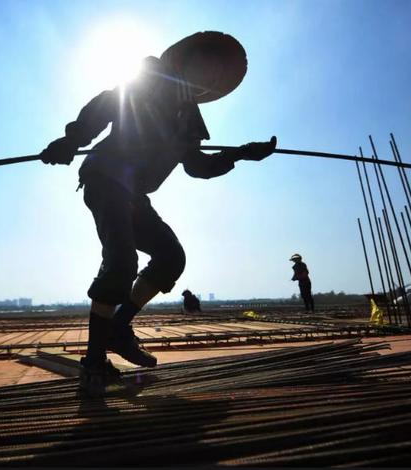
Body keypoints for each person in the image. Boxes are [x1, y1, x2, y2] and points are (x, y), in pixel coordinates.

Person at [40, 31, 277, 394]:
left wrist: (239, 154)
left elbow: (197, 166)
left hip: (133, 192)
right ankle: (94, 361)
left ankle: (119, 328)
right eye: (207, 67)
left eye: (217, 76)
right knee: (121, 261)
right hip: (106, 177)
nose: (210, 77)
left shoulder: (190, 118)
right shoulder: (148, 80)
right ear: (185, 61)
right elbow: (105, 106)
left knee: (170, 257)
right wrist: (72, 140)